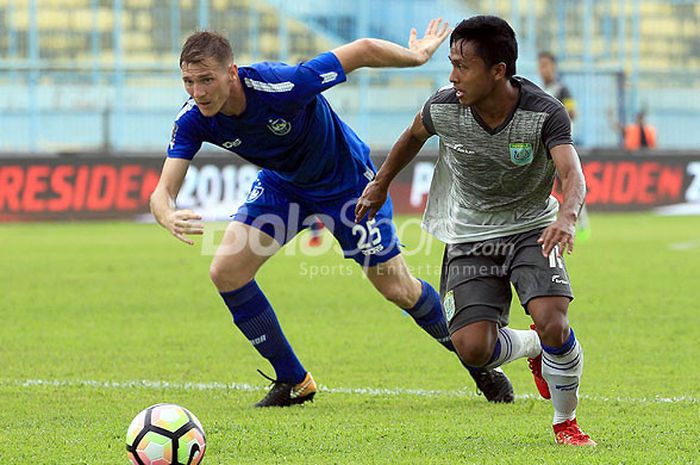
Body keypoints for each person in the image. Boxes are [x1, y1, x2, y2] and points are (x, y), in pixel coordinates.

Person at [150, 19, 515, 408]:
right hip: (284, 186)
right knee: (226, 272)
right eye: (188, 82)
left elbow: (360, 51)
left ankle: (479, 365)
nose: (197, 92)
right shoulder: (193, 118)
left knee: (398, 289)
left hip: (346, 185)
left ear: (231, 73)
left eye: (206, 80)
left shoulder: (285, 85)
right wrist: (167, 213)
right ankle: (294, 380)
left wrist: (417, 55)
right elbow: (162, 191)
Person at [356, 16, 596, 446]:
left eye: (462, 66)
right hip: (469, 233)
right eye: (451, 64)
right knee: (472, 347)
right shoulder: (445, 107)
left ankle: (567, 423)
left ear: (498, 70)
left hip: (533, 228)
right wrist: (380, 184)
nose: (453, 76)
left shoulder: (544, 114)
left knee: (553, 320)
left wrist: (567, 216)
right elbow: (412, 137)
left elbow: (571, 174)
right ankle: (532, 348)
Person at [538, 51, 591, 241]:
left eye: (545, 65)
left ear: (553, 67)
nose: (542, 69)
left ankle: (581, 224)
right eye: (540, 65)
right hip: (543, 146)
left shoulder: (562, 90)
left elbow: (573, 113)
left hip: (560, 145)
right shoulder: (540, 90)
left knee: (570, 184)